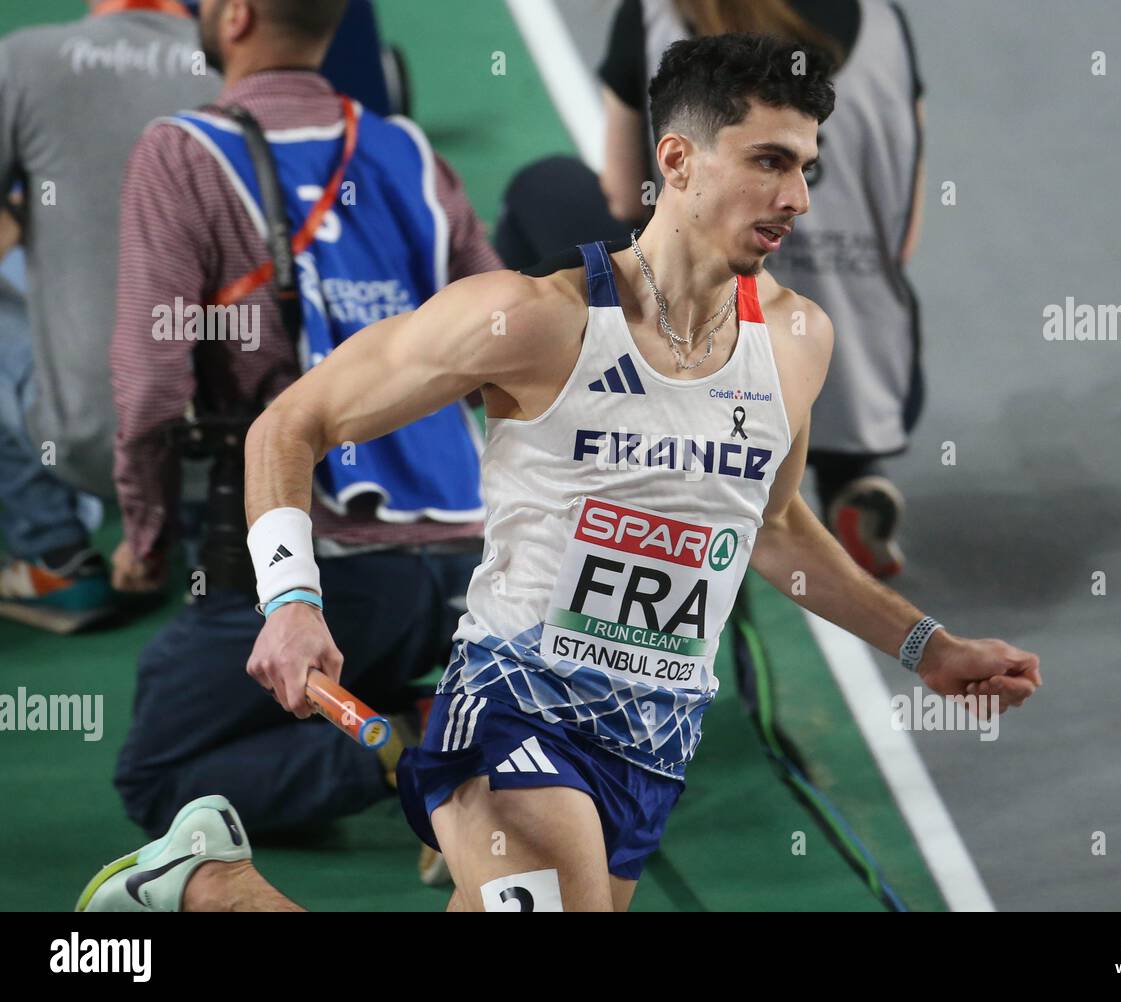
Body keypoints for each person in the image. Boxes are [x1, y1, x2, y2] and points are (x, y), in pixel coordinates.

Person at [79, 32, 1040, 913]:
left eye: (807, 168)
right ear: (677, 162)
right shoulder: (535, 318)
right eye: (770, 161)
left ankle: (207, 888)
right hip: (516, 698)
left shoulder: (795, 340)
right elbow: (290, 423)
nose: (797, 198)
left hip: (653, 743)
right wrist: (290, 598)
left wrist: (929, 648)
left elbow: (776, 529)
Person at [107, 0, 499, 848]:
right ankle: (440, 710)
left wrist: (140, 537)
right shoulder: (411, 151)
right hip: (471, 566)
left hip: (323, 576)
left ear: (236, 16)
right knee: (206, 683)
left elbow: (147, 391)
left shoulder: (180, 152)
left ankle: (419, 750)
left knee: (154, 771)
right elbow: (506, 345)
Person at [599, 0, 926, 578]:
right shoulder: (883, 22)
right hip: (869, 348)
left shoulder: (651, 19)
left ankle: (679, 491)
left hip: (707, 342)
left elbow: (626, 195)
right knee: (812, 365)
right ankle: (854, 474)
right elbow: (906, 214)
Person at [0, 0, 220, 625]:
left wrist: (37, 222)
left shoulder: (24, 58)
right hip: (244, 440)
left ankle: (55, 558)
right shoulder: (243, 65)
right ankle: (218, 537)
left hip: (90, 438)